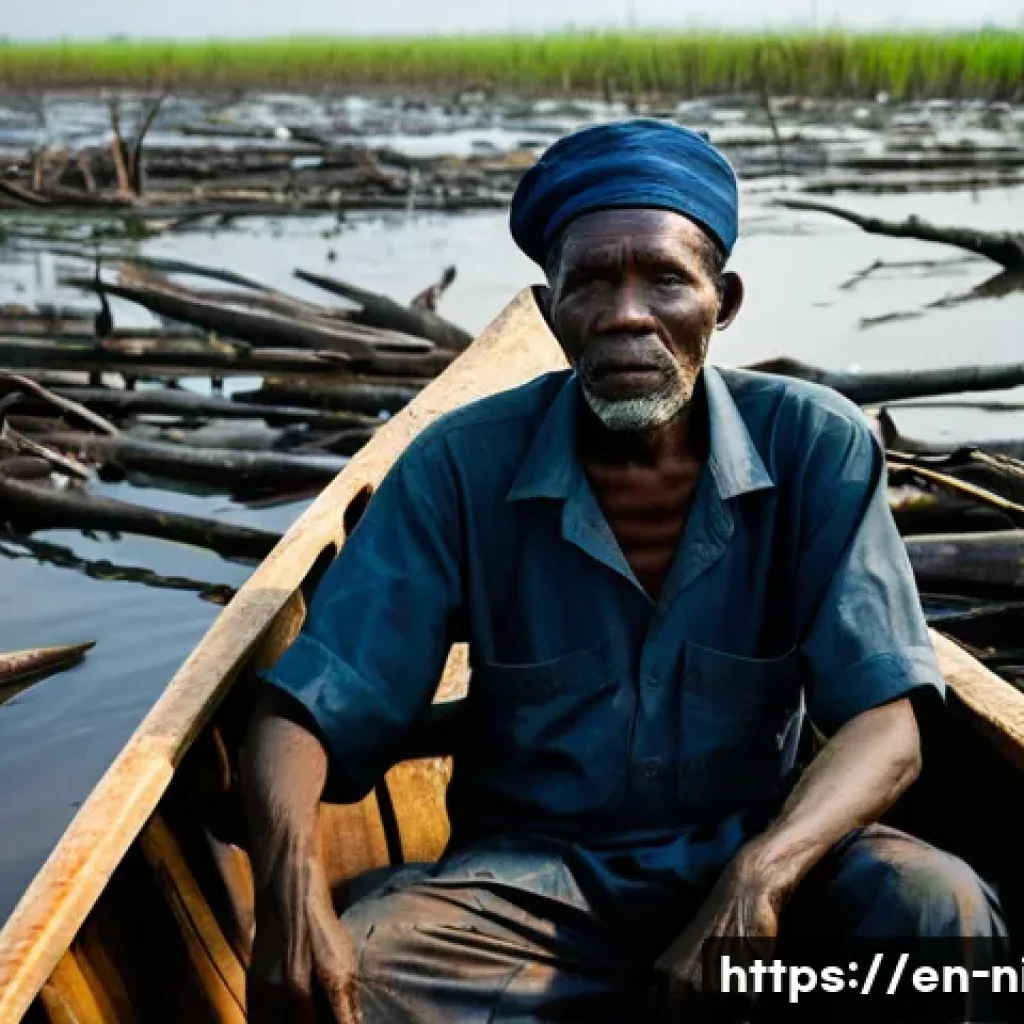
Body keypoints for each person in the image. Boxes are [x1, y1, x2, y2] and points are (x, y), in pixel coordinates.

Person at [240, 119, 1010, 1024]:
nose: (627, 314)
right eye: (593, 282)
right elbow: (302, 713)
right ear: (547, 305)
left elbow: (889, 724)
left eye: (666, 280)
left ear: (723, 301)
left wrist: (755, 882)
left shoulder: (814, 444)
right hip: (532, 895)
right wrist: (290, 890)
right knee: (351, 980)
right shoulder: (459, 466)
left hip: (770, 870)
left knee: (939, 919)